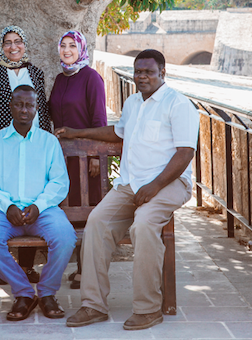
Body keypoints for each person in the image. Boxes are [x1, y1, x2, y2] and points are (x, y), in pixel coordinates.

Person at [59, 49, 199, 330]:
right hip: (131, 183)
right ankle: (93, 306)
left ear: (163, 73)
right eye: (138, 72)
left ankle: (148, 309)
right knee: (97, 223)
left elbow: (185, 153)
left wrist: (155, 186)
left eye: (149, 71)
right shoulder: (133, 102)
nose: (142, 77)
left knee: (144, 226)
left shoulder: (178, 104)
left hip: (169, 183)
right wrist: (77, 132)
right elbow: (118, 132)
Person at [0, 85, 76, 321]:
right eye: (19, 104)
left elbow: (59, 182)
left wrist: (39, 206)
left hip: (42, 210)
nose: (24, 109)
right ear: (11, 106)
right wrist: (7, 205)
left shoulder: (49, 142)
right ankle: (23, 293)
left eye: (29, 105)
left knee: (65, 237)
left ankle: (47, 293)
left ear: (36, 109)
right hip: (2, 212)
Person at [0, 25, 51, 284]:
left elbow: (42, 109)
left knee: (30, 198)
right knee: (7, 202)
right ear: (2, 46)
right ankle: (3, 267)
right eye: (8, 42)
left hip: (34, 146)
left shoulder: (36, 72)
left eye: (17, 41)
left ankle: (28, 267)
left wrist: (47, 140)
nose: (13, 46)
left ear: (24, 44)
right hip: (4, 147)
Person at [49, 30, 108, 289]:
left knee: (90, 213)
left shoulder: (91, 78)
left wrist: (95, 156)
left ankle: (87, 271)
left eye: (72, 45)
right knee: (70, 210)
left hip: (86, 160)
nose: (67, 50)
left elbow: (100, 121)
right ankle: (79, 267)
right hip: (64, 159)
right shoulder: (61, 79)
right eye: (63, 45)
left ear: (81, 48)